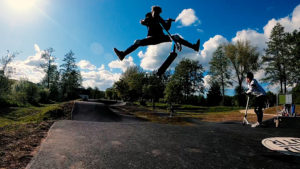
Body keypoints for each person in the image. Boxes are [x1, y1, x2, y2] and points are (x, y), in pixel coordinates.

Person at [114, 6, 200, 61]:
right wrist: (144, 21)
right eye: (156, 12)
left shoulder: (159, 18)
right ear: (152, 12)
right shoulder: (149, 17)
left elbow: (167, 28)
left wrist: (169, 22)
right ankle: (123, 54)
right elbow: (143, 22)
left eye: (158, 13)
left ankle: (194, 47)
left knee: (176, 37)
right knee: (137, 42)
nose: (157, 14)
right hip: (151, 38)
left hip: (161, 37)